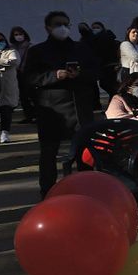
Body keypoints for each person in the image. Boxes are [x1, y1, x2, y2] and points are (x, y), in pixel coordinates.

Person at [22, 11, 99, 195]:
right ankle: (48, 192)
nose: (62, 28)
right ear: (48, 27)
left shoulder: (81, 48)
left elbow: (96, 72)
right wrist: (55, 75)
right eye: (58, 24)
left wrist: (80, 74)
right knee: (49, 154)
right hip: (51, 110)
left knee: (84, 153)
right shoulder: (37, 51)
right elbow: (29, 78)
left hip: (79, 107)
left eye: (66, 24)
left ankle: (85, 191)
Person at [9, 27, 36, 123]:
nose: (19, 36)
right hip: (16, 74)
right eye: (16, 35)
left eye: (20, 34)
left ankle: (36, 115)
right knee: (22, 96)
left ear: (25, 35)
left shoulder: (30, 46)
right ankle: (28, 116)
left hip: (28, 73)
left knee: (31, 95)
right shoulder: (11, 47)